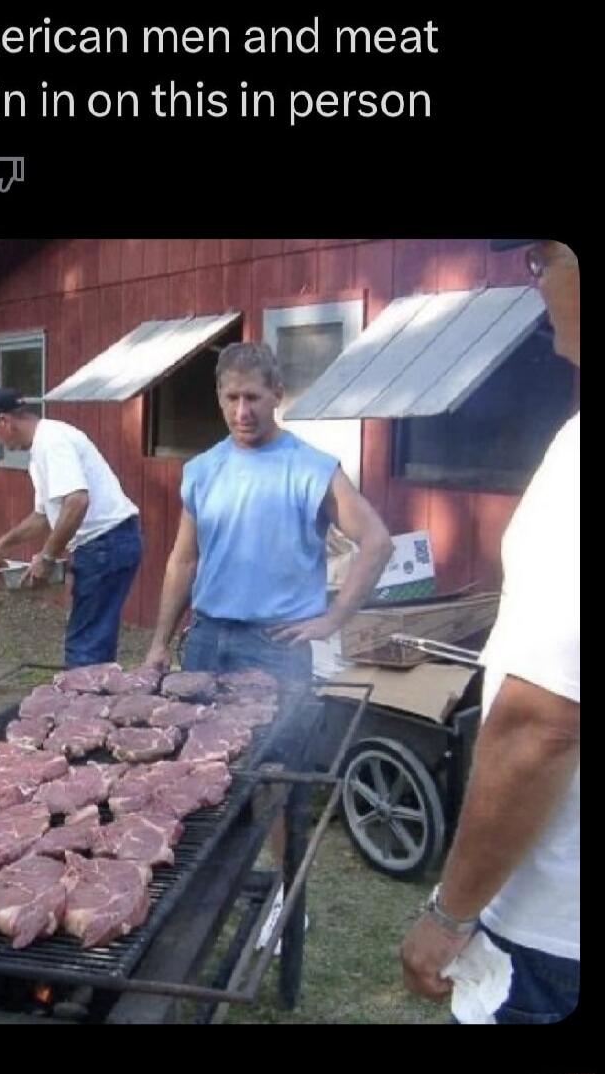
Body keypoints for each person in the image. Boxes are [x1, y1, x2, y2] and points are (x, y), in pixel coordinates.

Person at [142, 341, 393, 943]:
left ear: (277, 396)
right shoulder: (202, 469)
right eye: (231, 398)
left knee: (276, 779)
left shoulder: (312, 467)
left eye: (254, 397)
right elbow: (183, 559)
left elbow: (377, 541)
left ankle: (286, 902)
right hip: (207, 641)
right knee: (194, 772)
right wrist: (158, 645)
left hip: (276, 647)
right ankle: (193, 893)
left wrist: (332, 619)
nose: (242, 410)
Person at [401, 240, 579, 1023]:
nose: (532, 279)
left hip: (557, 935)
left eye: (543, 258)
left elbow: (542, 724)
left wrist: (448, 913)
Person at [0, 388, 142, 668]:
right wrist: (4, 543)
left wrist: (48, 556)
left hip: (106, 543)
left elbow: (77, 501)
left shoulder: (51, 441)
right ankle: (97, 700)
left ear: (4, 420)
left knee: (85, 646)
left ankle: (83, 707)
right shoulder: (41, 449)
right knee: (93, 639)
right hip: (107, 544)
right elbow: (44, 516)